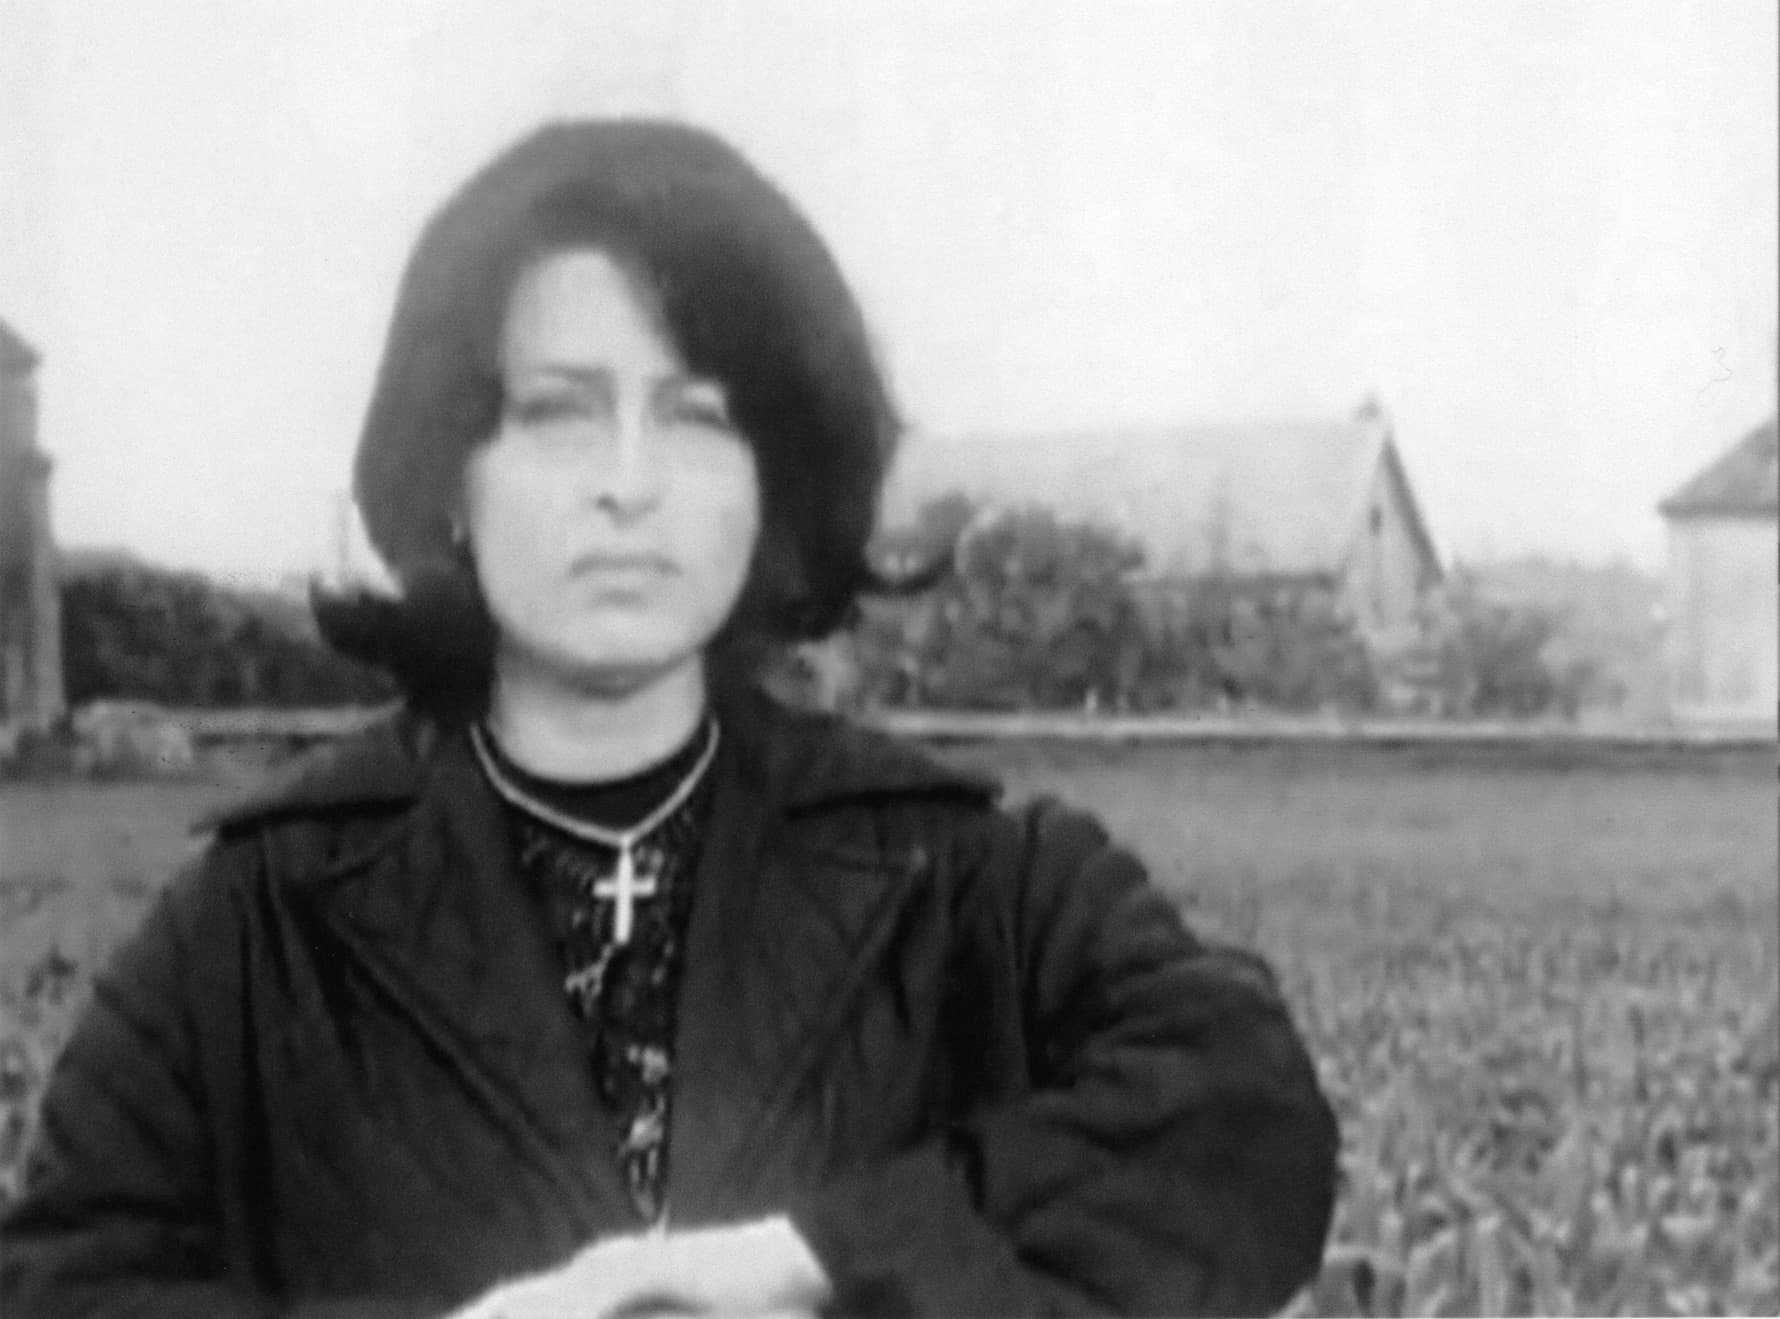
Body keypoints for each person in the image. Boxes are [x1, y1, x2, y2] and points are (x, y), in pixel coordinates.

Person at [1, 119, 1339, 1318]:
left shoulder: (971, 881)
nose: (629, 484)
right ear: (450, 472)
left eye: (699, 417)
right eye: (558, 412)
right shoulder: (256, 926)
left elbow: (1244, 1116)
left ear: (774, 481)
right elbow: (62, 1286)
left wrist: (804, 1258)